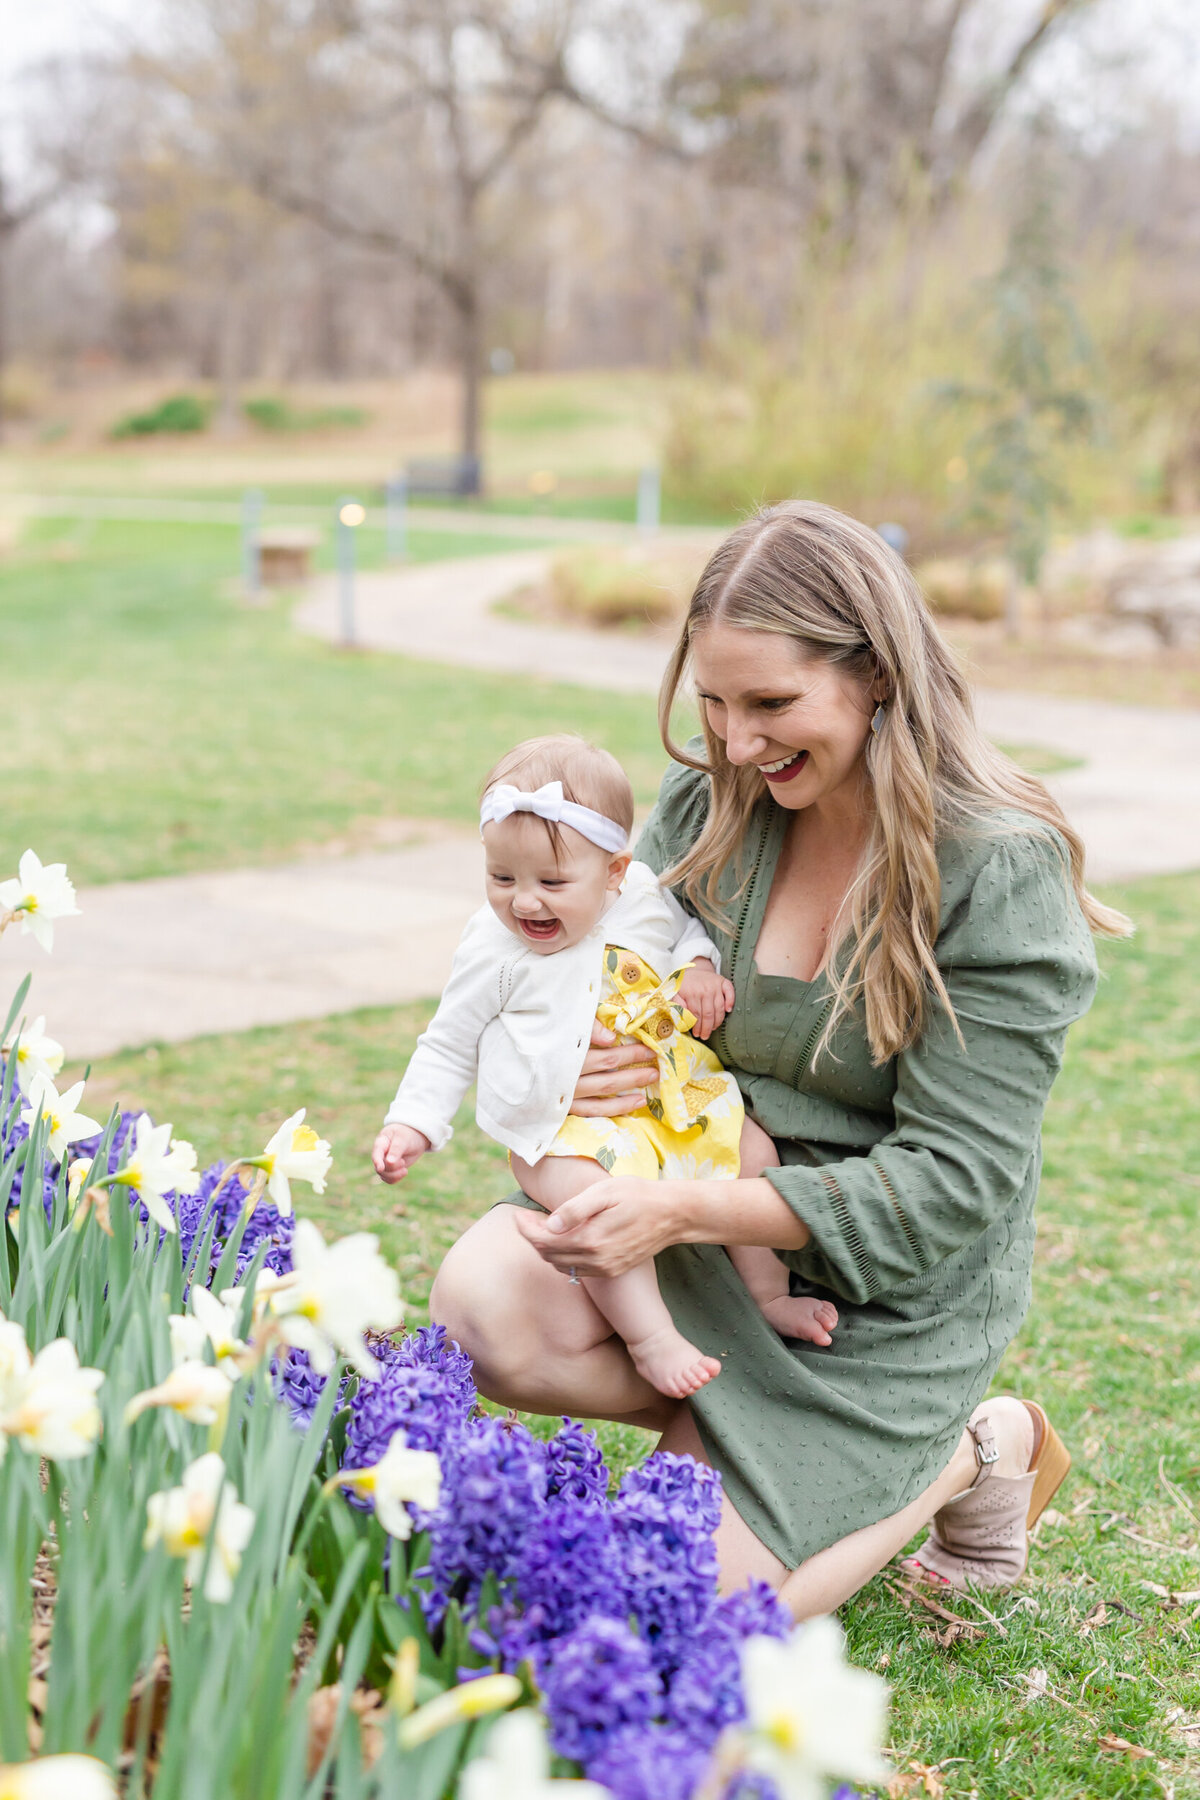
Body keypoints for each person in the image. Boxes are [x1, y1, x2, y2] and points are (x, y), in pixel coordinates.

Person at [429, 499, 1130, 1617]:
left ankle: (969, 1452)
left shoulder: (999, 871)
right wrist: (586, 1062)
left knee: (673, 1609)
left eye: (772, 705)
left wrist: (685, 1214)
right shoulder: (713, 804)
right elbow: (595, 978)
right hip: (704, 1217)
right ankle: (719, 1423)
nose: (738, 743)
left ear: (880, 679)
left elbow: (955, 1183)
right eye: (712, 702)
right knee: (482, 1304)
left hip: (878, 1300)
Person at [374, 735, 840, 1400]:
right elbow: (448, 1042)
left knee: (751, 1148)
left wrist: (698, 969)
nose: (525, 903)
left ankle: (767, 1295)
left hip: (670, 1095)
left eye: (552, 883)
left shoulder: (644, 897)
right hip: (565, 1131)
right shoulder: (490, 947)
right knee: (597, 1210)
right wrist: (413, 1123)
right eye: (502, 878)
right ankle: (652, 1339)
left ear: (617, 871)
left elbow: (686, 933)